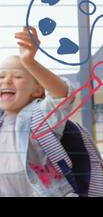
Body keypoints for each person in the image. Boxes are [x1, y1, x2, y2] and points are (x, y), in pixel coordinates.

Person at [0, 27, 75, 196]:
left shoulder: (39, 116)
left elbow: (62, 96)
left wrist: (30, 62)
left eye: (17, 76)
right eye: (1, 76)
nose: (6, 81)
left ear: (37, 90)